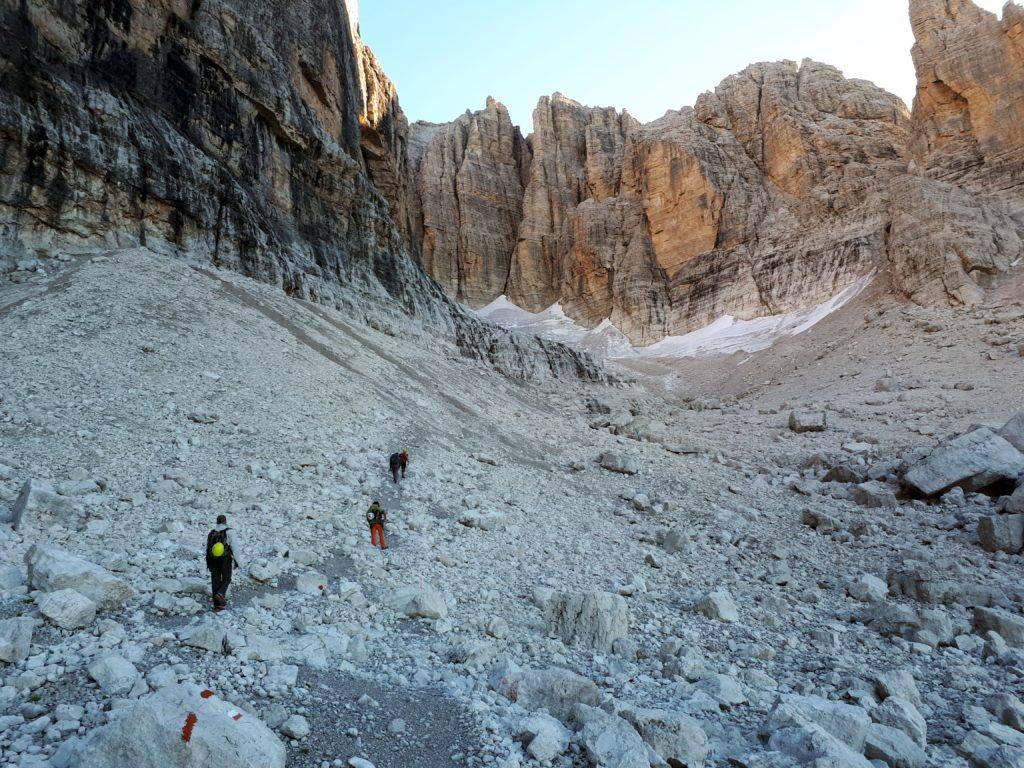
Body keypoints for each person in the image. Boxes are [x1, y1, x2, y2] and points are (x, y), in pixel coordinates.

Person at [206, 514, 240, 612]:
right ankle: (220, 593)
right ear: (225, 521)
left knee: (215, 581)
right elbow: (235, 548)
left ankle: (217, 606)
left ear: (217, 521)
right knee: (227, 578)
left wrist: (208, 562)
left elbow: (208, 548)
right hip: (225, 560)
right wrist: (238, 562)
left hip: (212, 560)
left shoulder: (212, 533)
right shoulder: (230, 532)